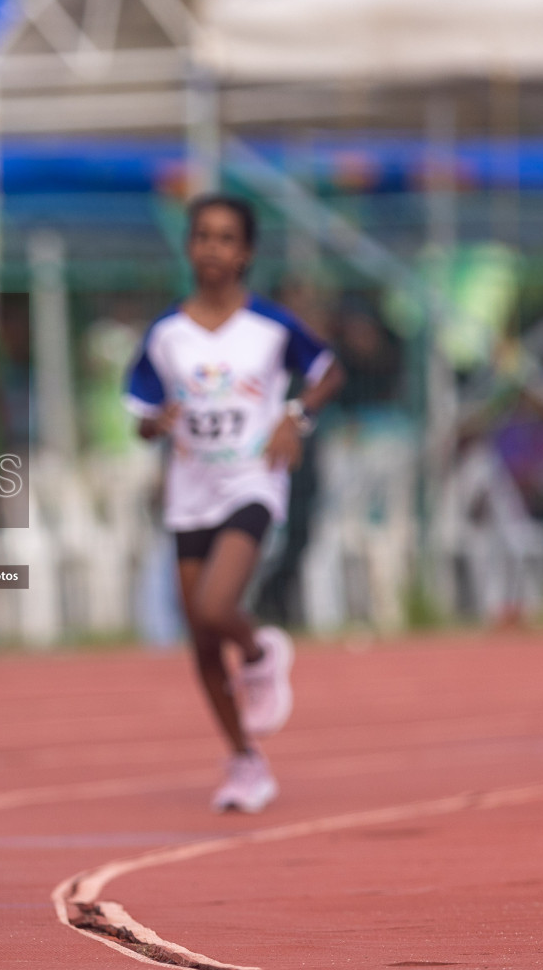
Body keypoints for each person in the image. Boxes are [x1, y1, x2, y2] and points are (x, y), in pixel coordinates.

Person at [125, 194, 343, 814]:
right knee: (198, 636)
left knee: (216, 605)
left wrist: (295, 415)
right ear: (189, 246)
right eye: (203, 236)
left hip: (254, 480)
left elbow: (329, 369)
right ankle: (245, 759)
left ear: (245, 252)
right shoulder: (167, 336)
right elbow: (139, 413)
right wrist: (157, 423)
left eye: (227, 238)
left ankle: (257, 652)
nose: (214, 248)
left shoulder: (271, 327)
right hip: (190, 491)